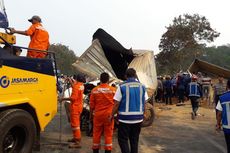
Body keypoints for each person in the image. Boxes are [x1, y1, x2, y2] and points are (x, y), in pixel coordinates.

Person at [110, 68, 148, 153]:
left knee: (123, 140)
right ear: (135, 75)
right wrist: (144, 114)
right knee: (134, 141)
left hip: (125, 120)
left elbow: (116, 104)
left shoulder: (122, 86)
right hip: (138, 119)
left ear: (126, 76)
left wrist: (111, 115)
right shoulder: (142, 86)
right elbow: (145, 102)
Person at [90, 72, 116, 153]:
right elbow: (116, 103)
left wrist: (91, 115)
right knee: (108, 134)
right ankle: (107, 150)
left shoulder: (94, 90)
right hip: (109, 116)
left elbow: (91, 106)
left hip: (98, 116)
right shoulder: (113, 90)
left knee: (96, 134)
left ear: (100, 79)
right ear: (108, 80)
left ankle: (95, 150)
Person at [61, 74, 85, 148]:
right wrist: (70, 81)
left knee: (75, 125)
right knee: (75, 124)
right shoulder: (81, 85)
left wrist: (63, 99)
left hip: (75, 107)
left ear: (77, 79)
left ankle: (77, 142)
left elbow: (73, 98)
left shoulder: (77, 87)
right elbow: (74, 86)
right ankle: (75, 138)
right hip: (79, 107)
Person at [216, 79, 230, 153]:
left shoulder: (222, 98)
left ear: (227, 86)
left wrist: (218, 124)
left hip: (227, 129)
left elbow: (219, 113)